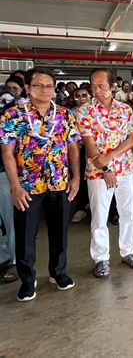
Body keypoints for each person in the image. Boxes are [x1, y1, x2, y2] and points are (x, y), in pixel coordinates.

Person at [0, 68, 81, 302]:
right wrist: (15, 186)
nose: (44, 90)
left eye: (49, 86)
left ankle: (58, 272)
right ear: (27, 88)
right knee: (25, 234)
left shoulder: (64, 114)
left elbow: (73, 146)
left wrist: (76, 177)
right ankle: (27, 280)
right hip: (27, 185)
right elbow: (7, 152)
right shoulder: (13, 115)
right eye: (38, 85)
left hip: (59, 182)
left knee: (59, 232)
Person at [76, 70, 133, 278]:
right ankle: (101, 258)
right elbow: (89, 144)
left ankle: (128, 251)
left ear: (113, 87)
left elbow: (131, 140)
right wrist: (104, 168)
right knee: (99, 216)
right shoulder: (84, 111)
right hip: (98, 172)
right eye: (93, 86)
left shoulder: (125, 109)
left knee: (127, 213)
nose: (96, 90)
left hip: (125, 168)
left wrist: (111, 156)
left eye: (101, 86)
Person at [0, 86, 17, 284]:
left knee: (10, 219)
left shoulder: (5, 98)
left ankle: (14, 260)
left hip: (3, 170)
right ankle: (3, 257)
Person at [71, 86, 93, 223]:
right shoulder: (70, 113)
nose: (81, 99)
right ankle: (81, 208)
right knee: (80, 177)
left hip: (97, 150)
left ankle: (112, 211)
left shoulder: (96, 111)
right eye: (77, 96)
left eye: (84, 95)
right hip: (78, 150)